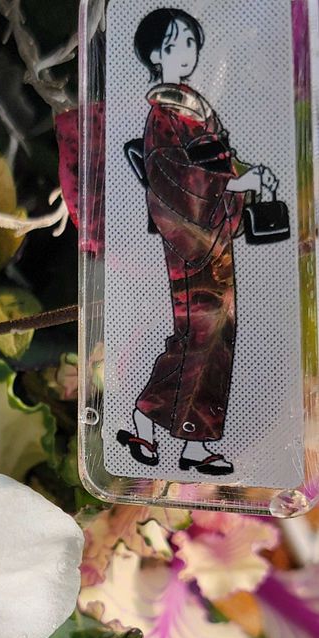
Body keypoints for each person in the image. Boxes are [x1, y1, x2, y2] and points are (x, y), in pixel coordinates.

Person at [116, 8, 279, 476]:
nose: (185, 54)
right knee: (200, 332)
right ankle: (158, 425)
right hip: (191, 234)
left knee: (215, 334)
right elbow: (173, 177)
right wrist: (234, 184)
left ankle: (180, 437)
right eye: (173, 46)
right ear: (153, 55)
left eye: (190, 43)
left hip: (214, 233)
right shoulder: (163, 114)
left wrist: (246, 175)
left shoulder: (196, 106)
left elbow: (219, 160)